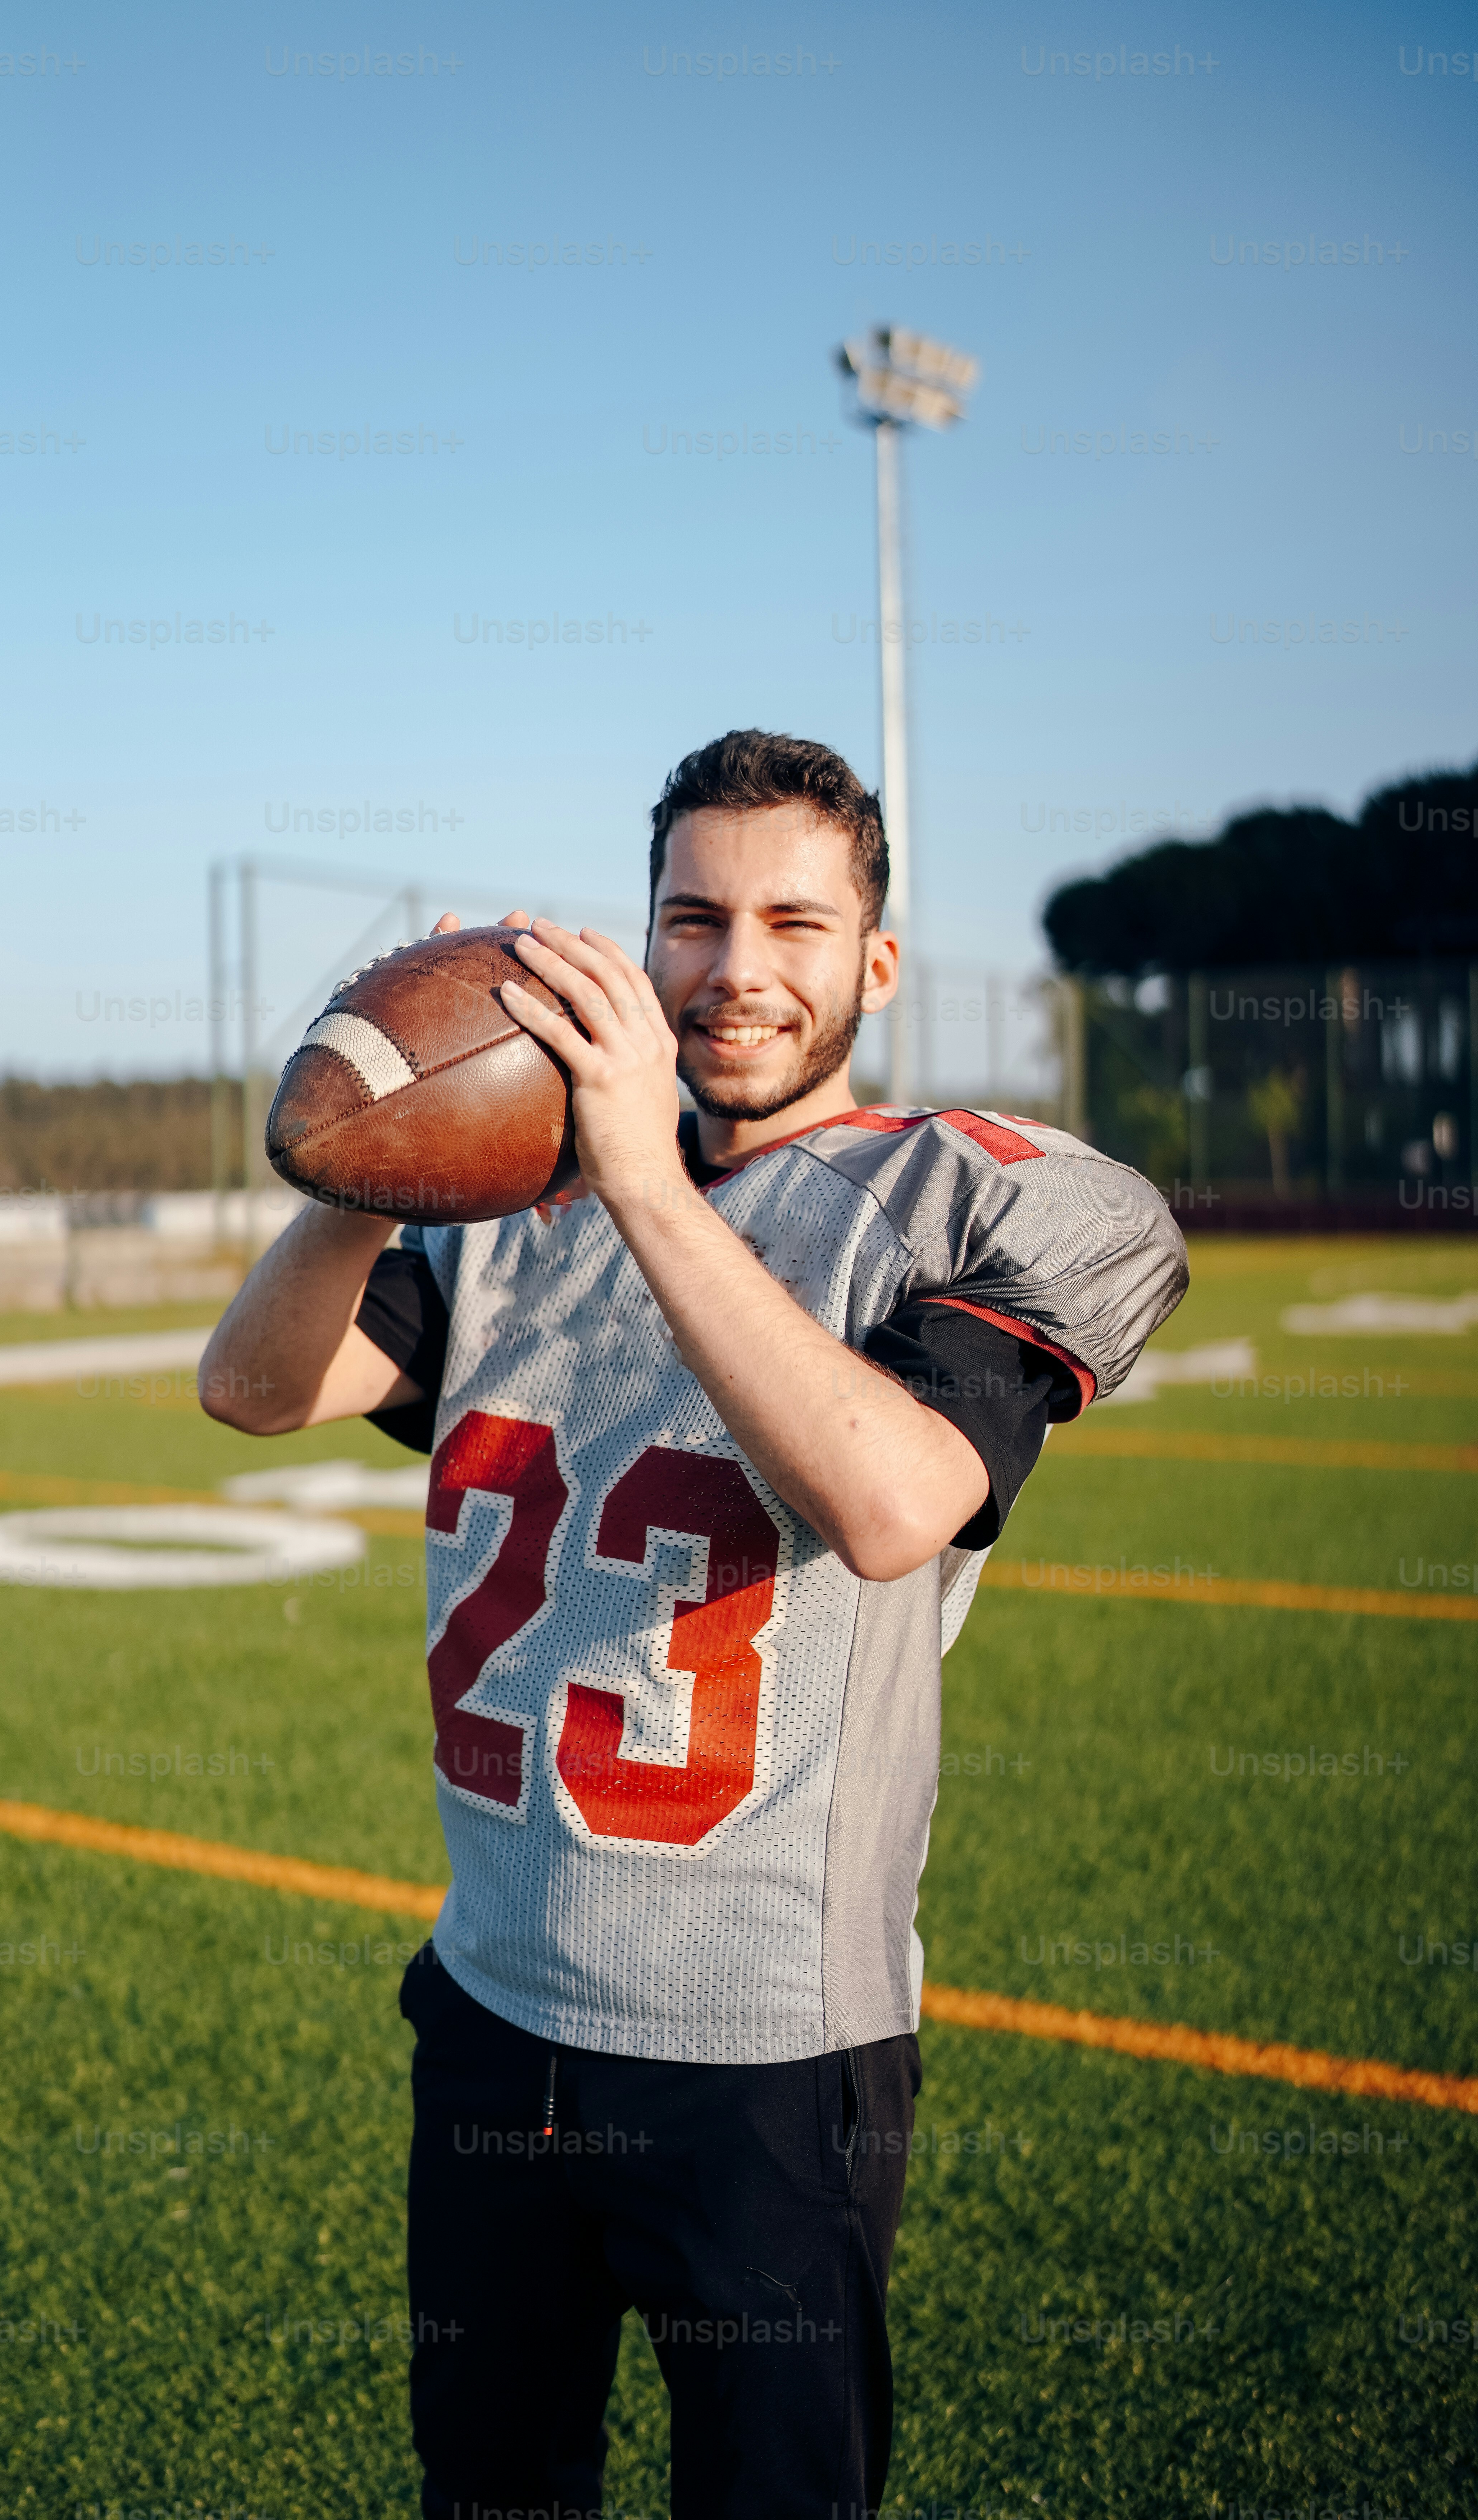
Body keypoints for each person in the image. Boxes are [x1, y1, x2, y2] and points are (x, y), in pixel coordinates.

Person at [201, 729, 1188, 2520]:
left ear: (873, 964)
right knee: (491, 2489)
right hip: (493, 2006)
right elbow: (255, 1389)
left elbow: (891, 1507)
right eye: (693, 918)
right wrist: (377, 1140)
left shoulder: (965, 1197)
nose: (737, 972)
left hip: (763, 2053)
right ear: (640, 941)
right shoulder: (518, 1201)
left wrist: (647, 1177)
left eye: (794, 925)